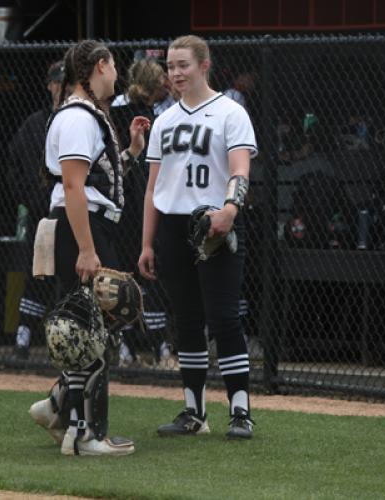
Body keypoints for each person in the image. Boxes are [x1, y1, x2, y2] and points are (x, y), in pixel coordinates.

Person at [28, 39, 150, 456]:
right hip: (84, 230)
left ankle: (62, 408)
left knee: (86, 329)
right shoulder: (80, 117)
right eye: (114, 65)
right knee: (93, 333)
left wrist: (131, 152)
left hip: (87, 226)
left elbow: (96, 185)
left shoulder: (83, 114)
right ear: (100, 66)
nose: (117, 73)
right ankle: (85, 434)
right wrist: (86, 248)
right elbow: (74, 187)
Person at [138, 35, 258, 439]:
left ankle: (240, 412)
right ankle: (194, 412)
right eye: (171, 66)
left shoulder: (230, 112)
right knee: (186, 320)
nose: (175, 73)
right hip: (173, 226)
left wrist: (229, 210)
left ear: (205, 65)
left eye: (183, 65)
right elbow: (153, 188)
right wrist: (146, 243)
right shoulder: (164, 120)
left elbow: (240, 169)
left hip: (213, 223)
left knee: (224, 317)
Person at [110, 58, 172, 367]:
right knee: (150, 279)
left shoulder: (113, 112)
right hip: (144, 206)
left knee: (126, 278)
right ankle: (161, 349)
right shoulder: (153, 117)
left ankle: (125, 349)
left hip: (119, 208)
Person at [8, 61, 66, 361]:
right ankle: (23, 336)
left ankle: (67, 342)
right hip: (41, 214)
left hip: (72, 212)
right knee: (38, 275)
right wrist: (31, 198)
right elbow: (13, 167)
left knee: (71, 278)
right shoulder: (34, 124)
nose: (60, 87)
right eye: (57, 82)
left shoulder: (80, 120)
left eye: (66, 82)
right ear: (49, 85)